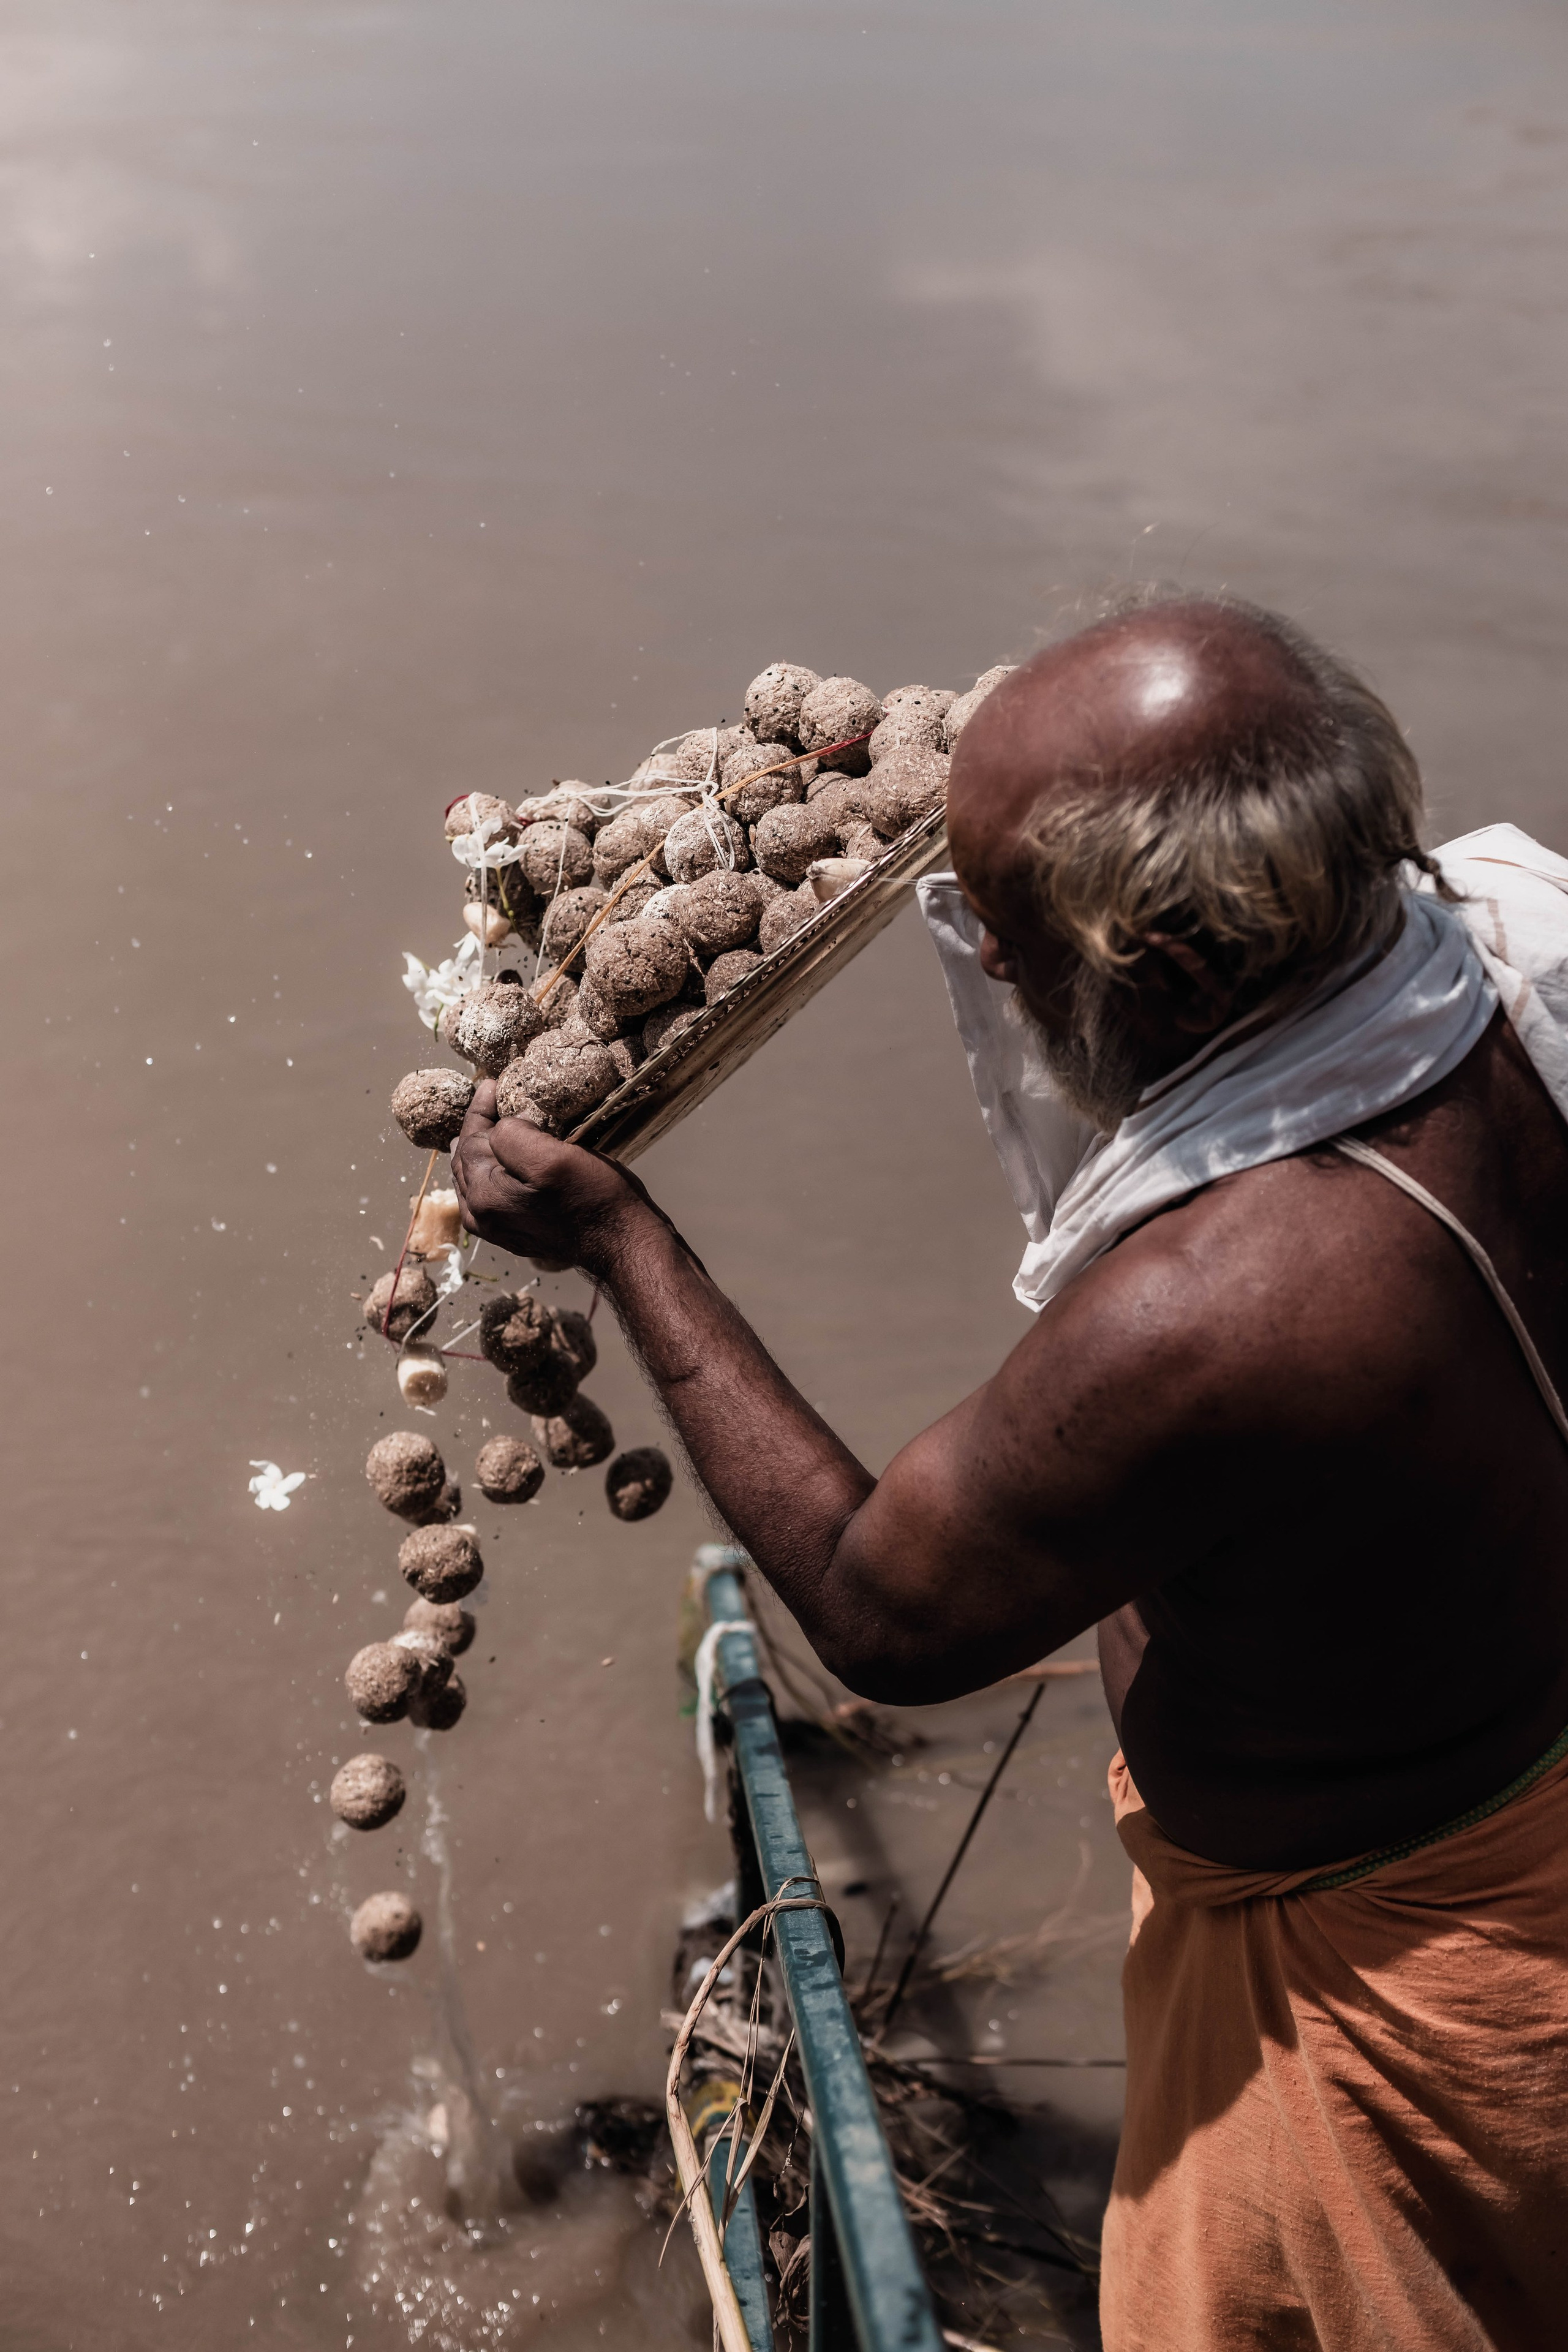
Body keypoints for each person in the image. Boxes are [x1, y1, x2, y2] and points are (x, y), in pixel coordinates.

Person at [452, 592, 1568, 2350]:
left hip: (1390, 1969)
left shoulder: (1224, 1304)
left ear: (1173, 969)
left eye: (1006, 935)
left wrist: (622, 1243)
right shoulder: (1510, 946)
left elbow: (888, 1612)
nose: (984, 958)